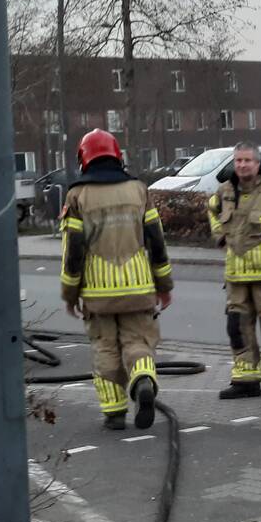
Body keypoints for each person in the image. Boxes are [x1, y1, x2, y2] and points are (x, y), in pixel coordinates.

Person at [60, 129, 173, 431]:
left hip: (98, 292)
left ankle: (114, 413)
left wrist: (70, 293)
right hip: (139, 286)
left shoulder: (77, 195)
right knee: (139, 342)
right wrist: (164, 286)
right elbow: (156, 242)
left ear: (83, 158)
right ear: (117, 155)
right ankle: (143, 383)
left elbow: (73, 252)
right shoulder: (139, 190)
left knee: (104, 346)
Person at [207, 141, 261, 399]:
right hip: (235, 276)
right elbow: (212, 211)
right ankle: (246, 381)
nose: (242, 165)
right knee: (237, 328)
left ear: (258, 163)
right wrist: (220, 235)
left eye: (247, 160)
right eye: (239, 160)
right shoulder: (225, 191)